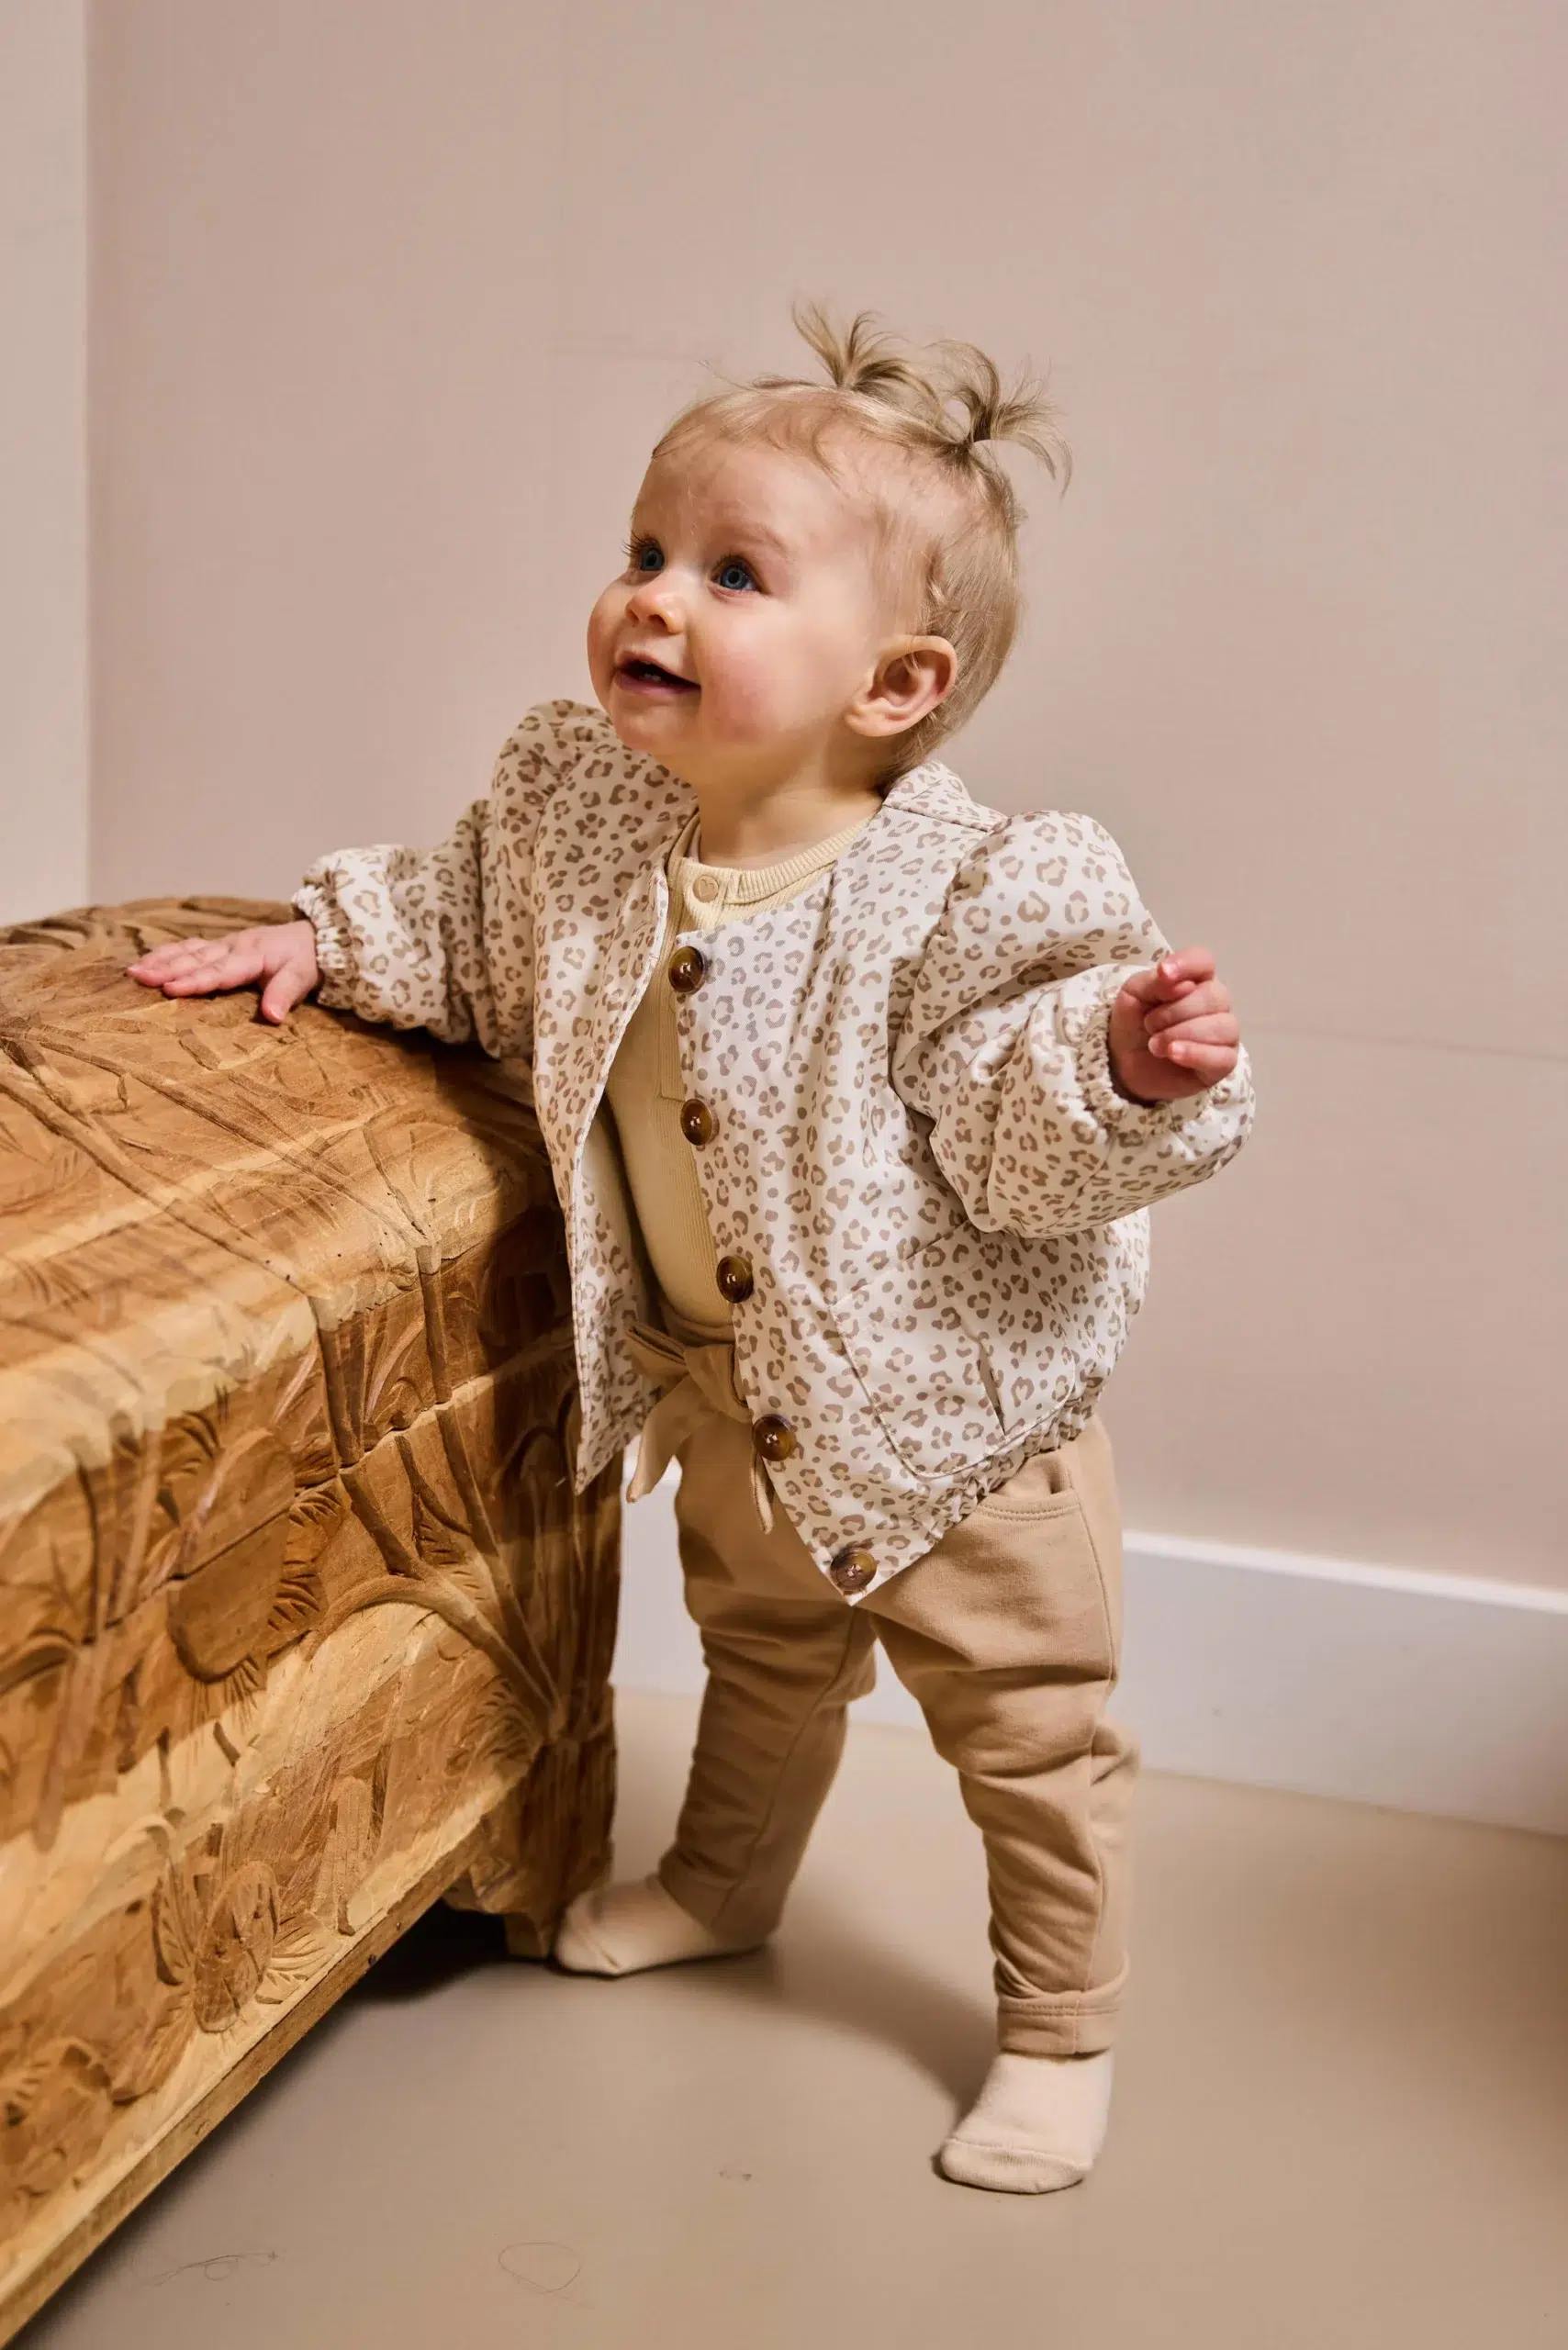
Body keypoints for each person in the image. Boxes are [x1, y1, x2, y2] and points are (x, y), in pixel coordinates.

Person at [128, 303, 1254, 2194]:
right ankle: (724, 1889)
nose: (652, 595)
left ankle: (1059, 2029)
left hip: (960, 1427)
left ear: (891, 684)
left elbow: (1017, 1105)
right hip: (731, 1391)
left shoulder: (961, 892)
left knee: (1028, 1734)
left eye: (732, 574)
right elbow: (469, 924)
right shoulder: (587, 821)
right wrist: (327, 939)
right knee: (761, 1653)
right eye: (646, 548)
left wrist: (1121, 1071)